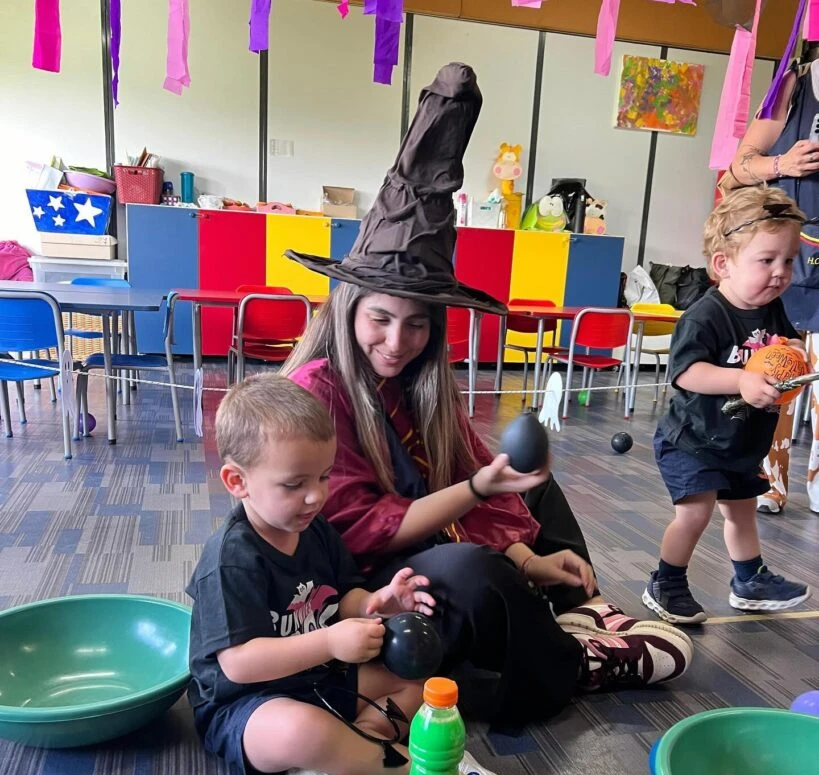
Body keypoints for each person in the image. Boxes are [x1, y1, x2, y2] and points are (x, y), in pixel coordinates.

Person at [281, 62, 693, 730]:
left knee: (535, 487)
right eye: (381, 319)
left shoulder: (420, 384)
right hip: (367, 581)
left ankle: (572, 606)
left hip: (429, 539)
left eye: (418, 325)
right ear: (348, 307)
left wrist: (528, 555)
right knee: (471, 574)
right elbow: (365, 529)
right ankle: (571, 661)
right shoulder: (315, 393)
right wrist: (480, 499)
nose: (397, 341)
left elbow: (473, 472)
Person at [187, 373, 507, 775]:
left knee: (418, 685)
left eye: (323, 477)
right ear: (237, 481)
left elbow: (343, 596)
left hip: (321, 681)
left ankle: (345, 755)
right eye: (294, 484)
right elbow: (239, 664)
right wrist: (330, 642)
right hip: (247, 706)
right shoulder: (231, 559)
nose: (316, 496)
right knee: (299, 731)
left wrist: (376, 602)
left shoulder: (313, 530)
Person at [643, 187, 811, 626]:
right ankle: (666, 582)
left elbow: (786, 341)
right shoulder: (705, 315)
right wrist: (742, 380)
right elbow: (686, 373)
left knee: (742, 511)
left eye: (789, 260)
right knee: (695, 513)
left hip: (739, 441)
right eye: (767, 260)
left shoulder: (770, 308)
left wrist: (794, 350)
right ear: (723, 264)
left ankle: (749, 581)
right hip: (693, 440)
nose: (780, 273)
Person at [721, 40, 819, 515]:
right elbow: (736, 170)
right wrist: (782, 164)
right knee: (777, 372)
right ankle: (768, 483)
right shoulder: (792, 85)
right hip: (788, 257)